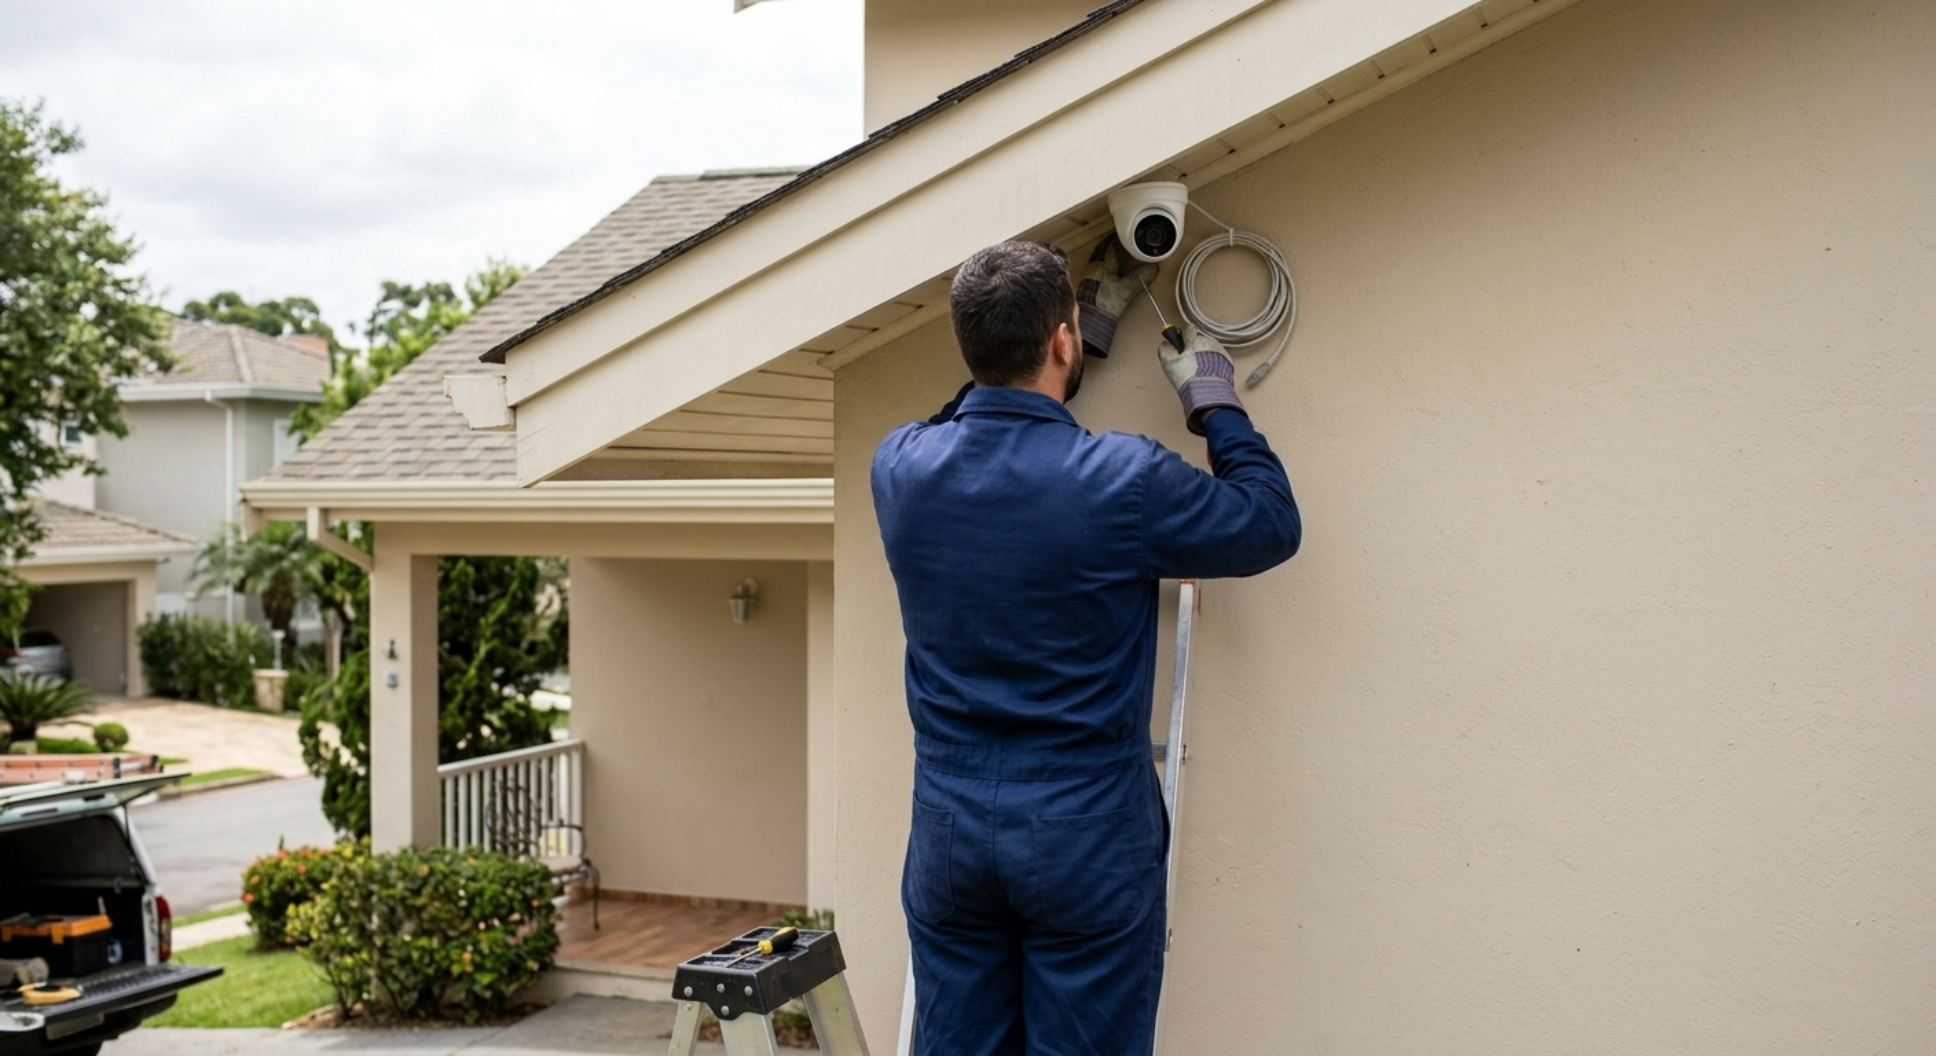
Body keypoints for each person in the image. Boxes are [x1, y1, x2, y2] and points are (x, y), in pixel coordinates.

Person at [871, 238, 1301, 1055]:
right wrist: (1217, 405)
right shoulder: (1123, 480)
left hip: (951, 835)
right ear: (1062, 340)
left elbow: (966, 414)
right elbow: (1268, 523)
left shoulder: (898, 466)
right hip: (1086, 836)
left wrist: (1066, 349)